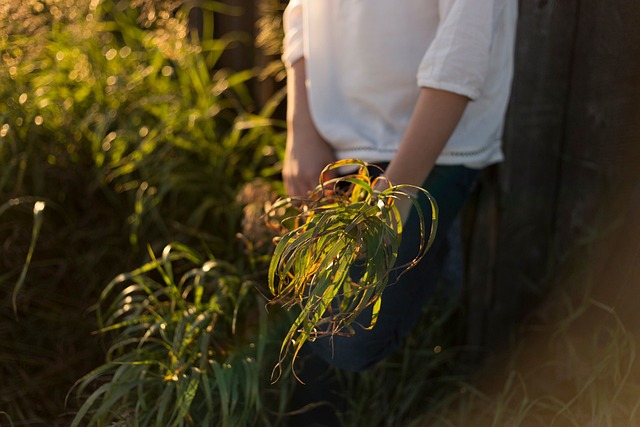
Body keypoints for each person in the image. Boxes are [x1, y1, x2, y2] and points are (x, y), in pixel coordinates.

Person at [281, 1, 518, 425]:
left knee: (343, 337)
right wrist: (302, 132)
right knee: (299, 319)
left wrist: (390, 199)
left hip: (430, 145)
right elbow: (301, 10)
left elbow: (460, 52)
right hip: (336, 139)